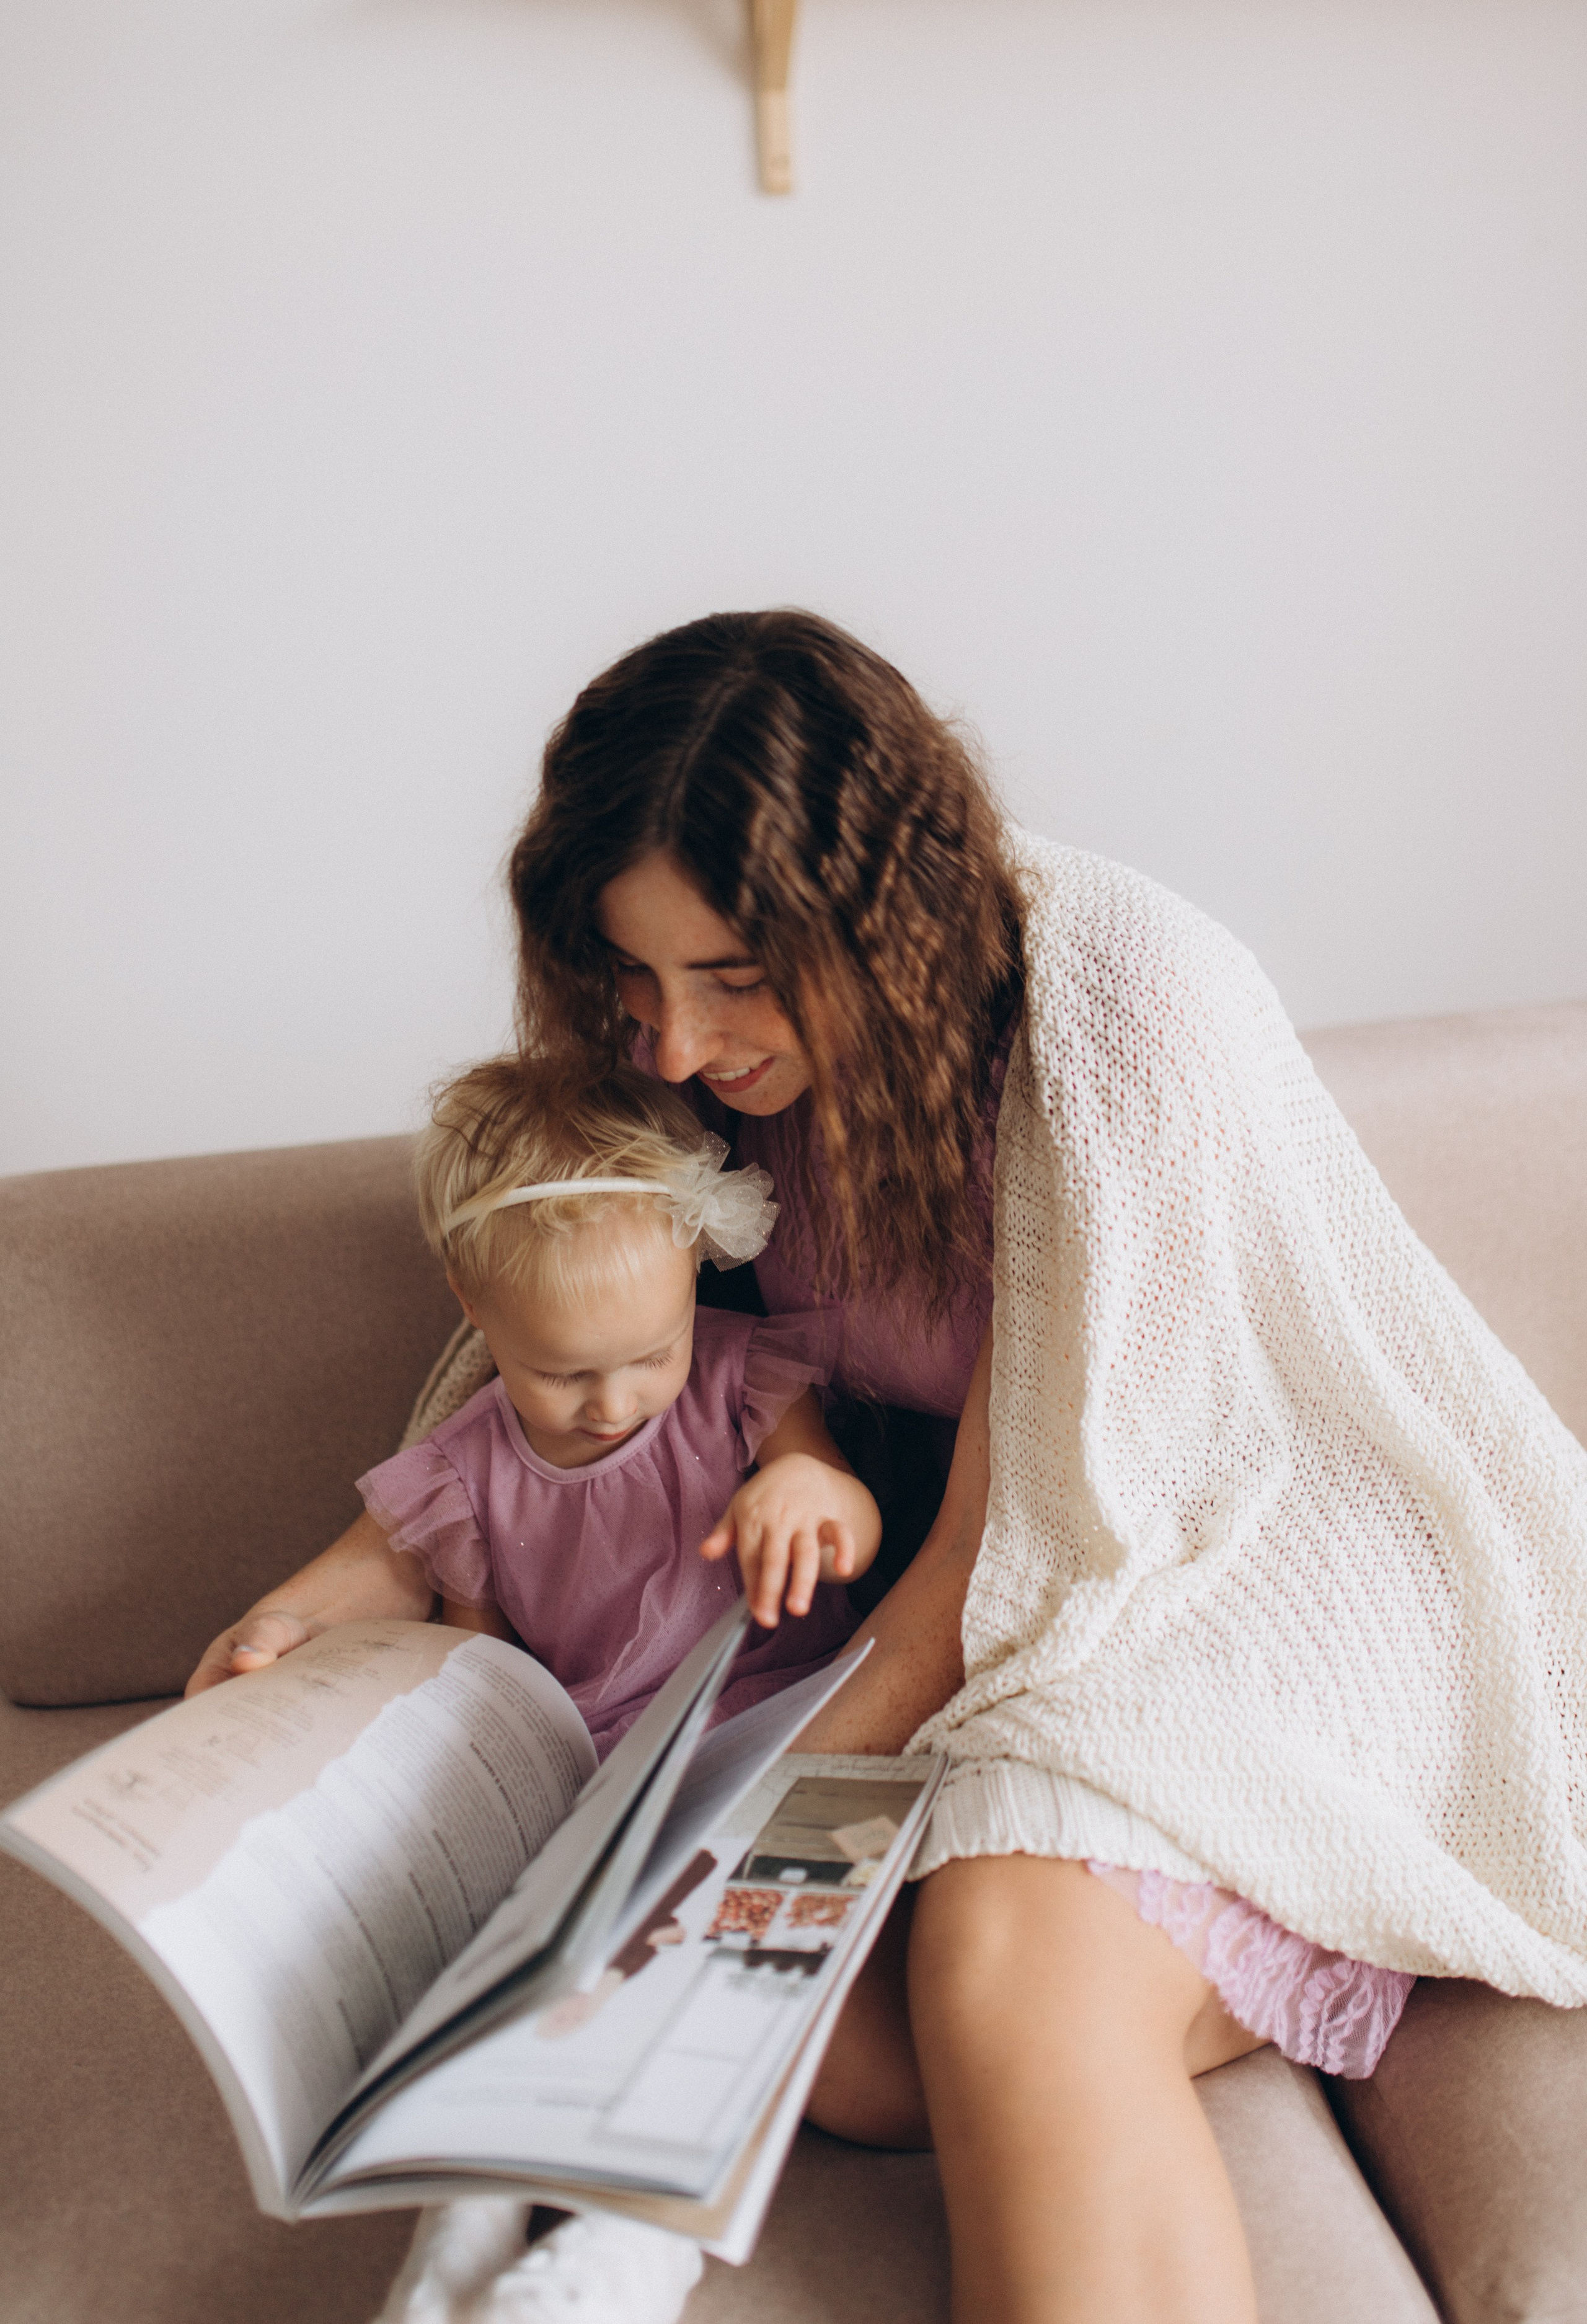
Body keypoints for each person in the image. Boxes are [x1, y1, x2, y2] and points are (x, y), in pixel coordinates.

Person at [395, 603, 1587, 2324]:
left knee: (1005, 1947)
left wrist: (709, 1833)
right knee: (837, 2018)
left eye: (732, 973)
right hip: (1009, 1563)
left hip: (1244, 1554)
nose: (671, 1040)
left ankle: (1210, 1900)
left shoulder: (1121, 998)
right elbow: (553, 1314)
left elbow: (1011, 1546)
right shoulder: (684, 1071)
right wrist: (375, 1583)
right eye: (633, 976)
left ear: (878, 916)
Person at [187, 1057, 878, 1740]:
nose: (611, 1405)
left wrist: (811, 1487)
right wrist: (282, 1624)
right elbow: (468, 1658)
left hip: (790, 1702)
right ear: (472, 1304)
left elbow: (856, 1531)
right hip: (608, 1748)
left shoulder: (741, 1376)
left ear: (694, 1273)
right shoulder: (463, 1476)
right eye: (561, 1374)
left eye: (653, 1355)